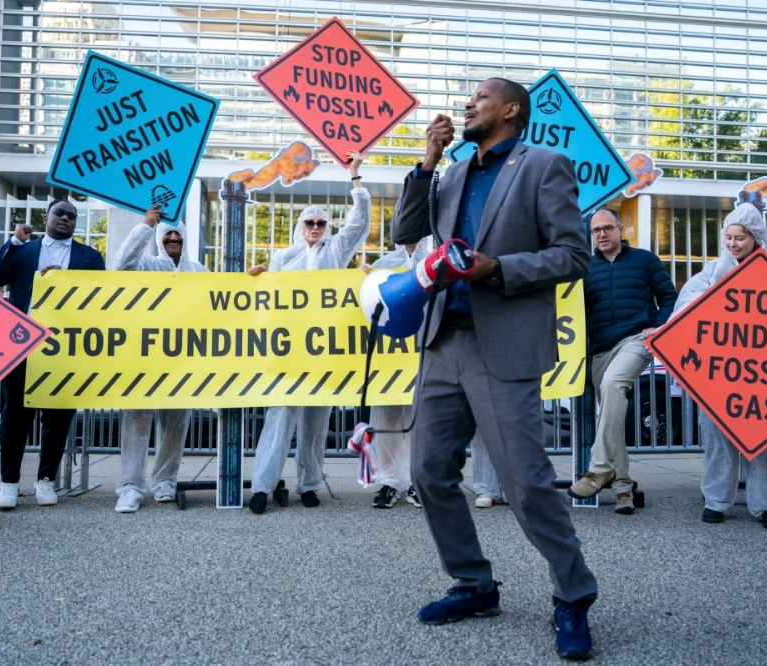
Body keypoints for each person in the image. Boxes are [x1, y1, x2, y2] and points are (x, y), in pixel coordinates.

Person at [390, 78, 597, 660]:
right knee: (429, 473)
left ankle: (574, 595)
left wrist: (495, 267)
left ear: (510, 110)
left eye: (479, 98)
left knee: (526, 483)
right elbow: (406, 233)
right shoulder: (452, 172)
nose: (466, 105)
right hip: (442, 342)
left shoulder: (545, 166)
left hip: (500, 345)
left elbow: (572, 255)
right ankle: (474, 585)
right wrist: (427, 161)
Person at [246, 151, 371, 514]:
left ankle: (311, 485)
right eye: (310, 223)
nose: (315, 227)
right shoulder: (284, 259)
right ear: (301, 227)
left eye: (320, 223)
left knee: (317, 424)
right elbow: (267, 303)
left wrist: (355, 177)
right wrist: (257, 280)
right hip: (289, 353)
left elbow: (359, 222)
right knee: (280, 419)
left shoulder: (336, 250)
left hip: (325, 353)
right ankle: (262, 487)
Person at [674, 203, 767, 530]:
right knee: (717, 437)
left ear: (755, 237)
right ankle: (716, 501)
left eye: (739, 238)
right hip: (720, 375)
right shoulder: (713, 272)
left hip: (766, 376)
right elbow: (685, 305)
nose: (732, 244)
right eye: (728, 237)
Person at [0, 199, 105, 510]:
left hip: (65, 346)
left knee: (58, 416)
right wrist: (13, 241)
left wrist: (64, 284)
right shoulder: (22, 250)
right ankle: (9, 483)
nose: (65, 218)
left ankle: (45, 480)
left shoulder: (90, 257)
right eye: (59, 213)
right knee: (15, 416)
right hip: (22, 343)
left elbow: (99, 299)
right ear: (46, 217)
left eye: (72, 216)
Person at [568, 208, 678, 513]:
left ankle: (598, 467)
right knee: (612, 415)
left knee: (615, 385)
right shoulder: (585, 268)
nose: (601, 234)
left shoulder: (645, 260)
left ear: (620, 229)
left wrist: (658, 326)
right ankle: (623, 489)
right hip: (600, 350)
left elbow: (669, 296)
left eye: (607, 228)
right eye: (596, 231)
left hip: (636, 339)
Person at [110, 205, 208, 513]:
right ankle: (129, 487)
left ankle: (165, 481)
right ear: (159, 238)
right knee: (136, 421)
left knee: (175, 424)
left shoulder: (199, 270)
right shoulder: (147, 265)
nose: (174, 237)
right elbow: (122, 264)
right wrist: (146, 225)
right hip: (145, 355)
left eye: (178, 232)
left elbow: (222, 300)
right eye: (168, 233)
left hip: (183, 358)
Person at [359, 244, 422, 509]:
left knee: (419, 421)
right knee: (387, 419)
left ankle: (416, 482)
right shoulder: (386, 262)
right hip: (390, 354)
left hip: (420, 350)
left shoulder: (431, 257)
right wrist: (363, 276)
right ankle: (388, 483)